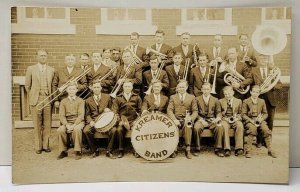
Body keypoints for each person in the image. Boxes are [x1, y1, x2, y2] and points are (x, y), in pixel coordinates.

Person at [25, 49, 55, 154]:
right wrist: (34, 96)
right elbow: (27, 86)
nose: (43, 57)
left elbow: (52, 85)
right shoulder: (31, 69)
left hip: (47, 98)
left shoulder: (51, 70)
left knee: (47, 123)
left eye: (45, 56)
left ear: (47, 57)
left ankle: (46, 145)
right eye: (41, 55)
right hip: (36, 99)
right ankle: (38, 146)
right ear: (37, 57)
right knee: (37, 124)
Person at [242, 85, 276, 158]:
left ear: (259, 93)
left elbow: (265, 113)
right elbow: (243, 115)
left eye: (257, 92)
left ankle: (270, 150)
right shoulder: (246, 101)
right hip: (250, 121)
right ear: (250, 92)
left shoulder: (262, 101)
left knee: (266, 130)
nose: (255, 94)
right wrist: (251, 120)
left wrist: (261, 119)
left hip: (259, 120)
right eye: (253, 92)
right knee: (252, 129)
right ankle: (248, 151)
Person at [83, 80, 114, 158]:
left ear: (101, 88)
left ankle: (109, 151)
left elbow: (113, 110)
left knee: (113, 130)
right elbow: (87, 114)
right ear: (92, 89)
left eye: (98, 87)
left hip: (106, 121)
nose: (96, 89)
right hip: (94, 121)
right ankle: (94, 150)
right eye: (94, 87)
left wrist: (109, 111)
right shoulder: (87, 100)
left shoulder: (107, 97)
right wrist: (90, 121)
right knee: (86, 130)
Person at [167, 80, 198, 159]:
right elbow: (169, 110)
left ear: (186, 87)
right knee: (173, 127)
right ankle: (174, 149)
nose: (181, 89)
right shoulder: (172, 97)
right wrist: (174, 119)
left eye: (183, 87)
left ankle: (187, 149)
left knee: (188, 127)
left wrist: (190, 119)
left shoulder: (192, 97)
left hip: (186, 119)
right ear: (177, 88)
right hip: (176, 119)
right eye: (180, 87)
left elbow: (195, 111)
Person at [111, 80, 142, 158]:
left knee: (138, 129)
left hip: (134, 120)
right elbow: (115, 112)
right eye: (125, 86)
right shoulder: (118, 98)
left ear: (132, 88)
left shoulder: (137, 97)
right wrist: (119, 121)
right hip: (123, 121)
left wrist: (137, 121)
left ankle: (137, 150)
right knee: (119, 130)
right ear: (123, 87)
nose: (127, 88)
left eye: (129, 86)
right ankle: (121, 150)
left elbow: (140, 111)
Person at [193, 83, 224, 157]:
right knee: (196, 128)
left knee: (219, 127)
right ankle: (197, 148)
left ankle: (218, 149)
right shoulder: (196, 99)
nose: (206, 91)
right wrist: (201, 120)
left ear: (210, 90)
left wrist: (217, 118)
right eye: (204, 89)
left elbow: (219, 112)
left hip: (212, 120)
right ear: (201, 89)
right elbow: (195, 112)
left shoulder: (215, 100)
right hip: (201, 119)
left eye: (207, 89)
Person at [57, 81, 85, 160]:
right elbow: (62, 116)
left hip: (78, 122)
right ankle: (63, 151)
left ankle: (78, 150)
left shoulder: (80, 100)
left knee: (76, 129)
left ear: (76, 90)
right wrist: (66, 125)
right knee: (60, 130)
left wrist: (74, 125)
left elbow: (81, 115)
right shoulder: (63, 101)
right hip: (67, 122)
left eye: (73, 89)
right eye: (69, 89)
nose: (71, 91)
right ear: (67, 90)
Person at [219, 86, 244, 157]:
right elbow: (219, 113)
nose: (227, 96)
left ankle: (239, 148)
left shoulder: (239, 101)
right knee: (224, 126)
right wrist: (224, 118)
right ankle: (227, 149)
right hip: (225, 119)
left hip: (235, 119)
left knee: (240, 125)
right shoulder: (220, 101)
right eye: (225, 94)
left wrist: (237, 118)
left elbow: (241, 113)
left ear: (233, 92)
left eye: (229, 94)